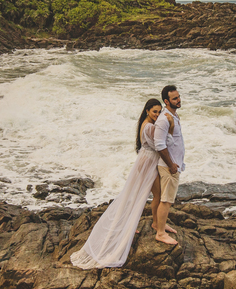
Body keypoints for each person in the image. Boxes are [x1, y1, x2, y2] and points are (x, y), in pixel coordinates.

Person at [70, 99, 165, 269]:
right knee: (156, 195)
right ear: (147, 111)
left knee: (134, 195)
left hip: (144, 160)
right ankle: (156, 225)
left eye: (159, 112)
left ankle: (130, 224)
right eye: (154, 112)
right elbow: (159, 146)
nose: (157, 115)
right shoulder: (150, 126)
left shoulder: (144, 124)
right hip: (148, 162)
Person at [151, 84, 184, 245]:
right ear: (166, 101)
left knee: (164, 198)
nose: (179, 100)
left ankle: (158, 224)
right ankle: (161, 233)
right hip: (168, 166)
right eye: (175, 98)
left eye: (178, 97)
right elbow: (159, 145)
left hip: (173, 163)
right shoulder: (164, 119)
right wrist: (171, 164)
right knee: (166, 200)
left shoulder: (173, 116)